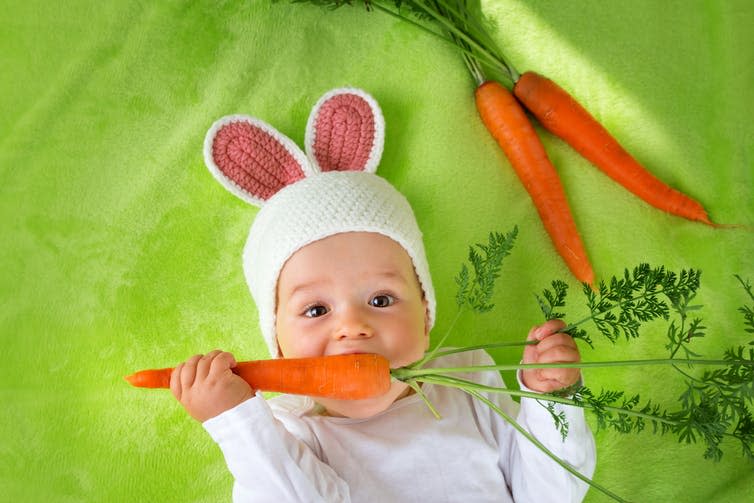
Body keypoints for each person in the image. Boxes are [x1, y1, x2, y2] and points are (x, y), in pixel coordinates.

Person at [171, 88, 596, 502]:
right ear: (277, 343)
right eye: (316, 309)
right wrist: (238, 424)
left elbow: (553, 494)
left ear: (426, 313)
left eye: (381, 300)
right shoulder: (285, 431)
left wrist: (551, 401)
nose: (353, 327)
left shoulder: (467, 379)